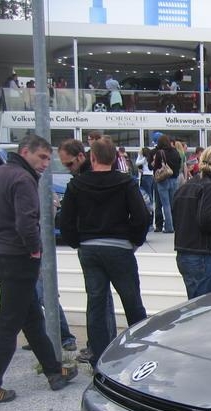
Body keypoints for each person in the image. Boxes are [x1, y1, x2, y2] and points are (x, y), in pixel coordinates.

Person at [0, 134, 78, 402]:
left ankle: (54, 371)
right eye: (41, 157)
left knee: (31, 317)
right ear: (25, 152)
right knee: (9, 323)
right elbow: (26, 222)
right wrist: (34, 250)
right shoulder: (23, 179)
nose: (45, 163)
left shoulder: (2, 173)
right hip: (18, 258)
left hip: (3, 255)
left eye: (48, 158)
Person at [59, 136, 149, 369]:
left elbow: (65, 220)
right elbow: (141, 216)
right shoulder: (126, 183)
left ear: (92, 157)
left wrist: (77, 242)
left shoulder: (77, 185)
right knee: (132, 301)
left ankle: (98, 360)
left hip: (90, 247)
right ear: (116, 158)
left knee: (96, 303)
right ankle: (140, 354)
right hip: (120, 247)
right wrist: (134, 241)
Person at [171, 146, 211, 299]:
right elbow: (205, 219)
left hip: (184, 251)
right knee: (209, 305)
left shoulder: (186, 186)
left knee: (195, 303)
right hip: (204, 253)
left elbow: (176, 217)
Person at [151, 134, 181, 233]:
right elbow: (179, 164)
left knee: (166, 204)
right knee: (173, 204)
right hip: (174, 180)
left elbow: (155, 167)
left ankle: (169, 227)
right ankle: (176, 225)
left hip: (163, 181)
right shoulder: (175, 152)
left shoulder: (160, 153)